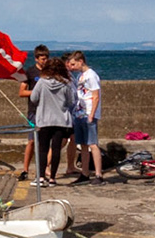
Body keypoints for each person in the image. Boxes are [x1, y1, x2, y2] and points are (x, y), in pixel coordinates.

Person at [28, 57, 73, 188]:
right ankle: (52, 177)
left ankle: (41, 177)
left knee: (43, 149)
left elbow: (33, 98)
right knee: (56, 149)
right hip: (61, 120)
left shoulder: (42, 82)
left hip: (44, 120)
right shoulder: (66, 83)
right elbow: (70, 101)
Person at [16, 44, 52, 180]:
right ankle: (25, 169)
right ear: (37, 59)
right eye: (42, 59)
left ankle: (44, 168)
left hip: (48, 110)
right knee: (31, 141)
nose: (45, 61)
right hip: (34, 110)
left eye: (46, 58)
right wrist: (37, 92)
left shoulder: (50, 72)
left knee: (46, 141)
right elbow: (22, 91)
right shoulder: (30, 72)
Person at [67, 51, 102, 183]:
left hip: (88, 113)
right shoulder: (81, 76)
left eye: (73, 64)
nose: (72, 67)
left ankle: (98, 174)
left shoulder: (91, 76)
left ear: (80, 61)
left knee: (92, 143)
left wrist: (92, 114)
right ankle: (85, 172)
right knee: (83, 145)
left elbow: (95, 96)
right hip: (79, 113)